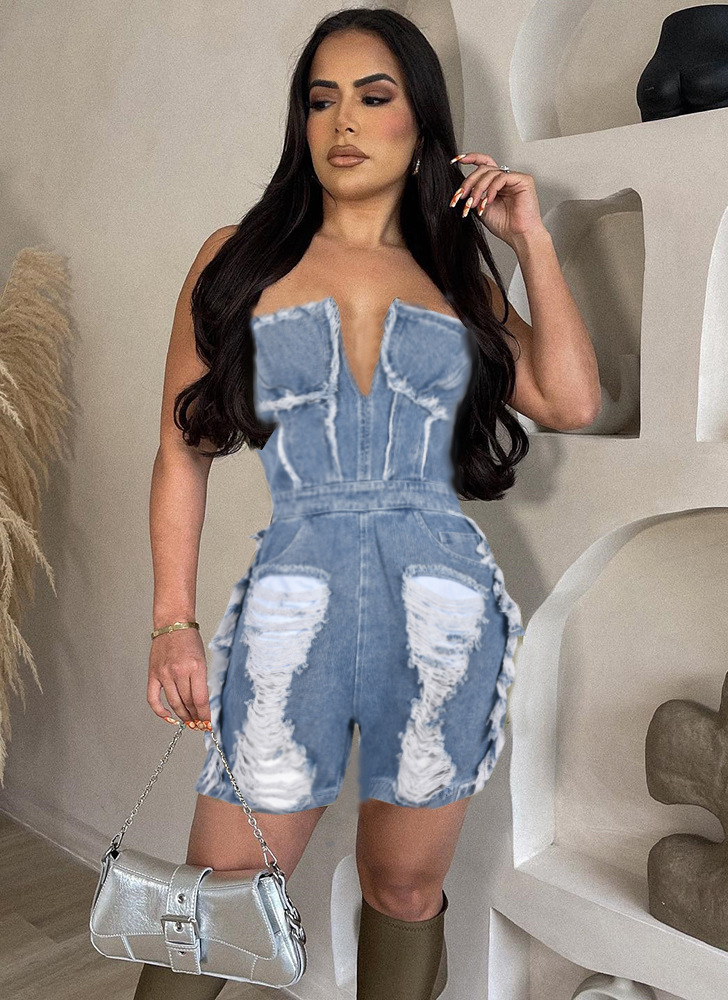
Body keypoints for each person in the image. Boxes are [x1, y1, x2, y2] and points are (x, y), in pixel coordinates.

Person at [134, 8, 600, 999]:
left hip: (440, 610)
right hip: (292, 606)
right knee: (222, 885)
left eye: (373, 96)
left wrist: (529, 239)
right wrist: (172, 621)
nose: (342, 121)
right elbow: (182, 449)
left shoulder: (456, 275)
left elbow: (568, 399)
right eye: (321, 100)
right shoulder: (238, 259)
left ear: (419, 122)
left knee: (405, 884)